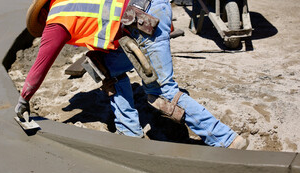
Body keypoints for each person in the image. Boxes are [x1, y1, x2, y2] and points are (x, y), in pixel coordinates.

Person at [15, 0, 248, 149]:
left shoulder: (56, 20)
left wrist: (24, 99)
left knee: (162, 94)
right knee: (106, 68)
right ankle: (129, 133)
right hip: (146, 12)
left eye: (41, 22)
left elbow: (41, 65)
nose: (44, 27)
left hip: (145, 22)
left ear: (44, 11)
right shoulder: (74, 2)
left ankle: (226, 139)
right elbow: (107, 24)